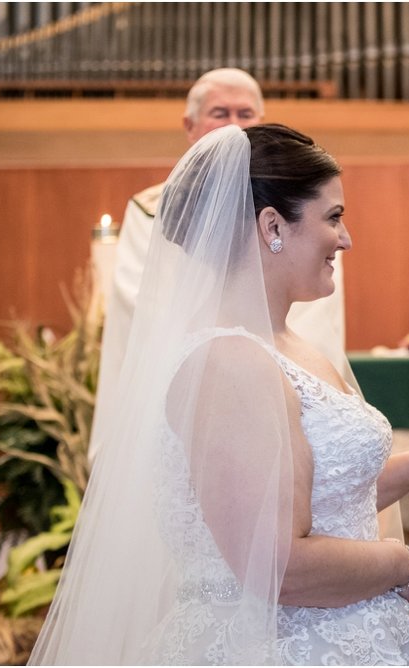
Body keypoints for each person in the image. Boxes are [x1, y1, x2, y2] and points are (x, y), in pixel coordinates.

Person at [30, 124, 409, 664]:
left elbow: (315, 499)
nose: (346, 239)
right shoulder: (227, 364)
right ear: (273, 225)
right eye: (333, 217)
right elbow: (277, 566)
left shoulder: (289, 345)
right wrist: (398, 562)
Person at [92, 67, 355, 460]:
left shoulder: (301, 213)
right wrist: (237, 364)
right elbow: (144, 307)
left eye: (245, 115)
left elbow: (314, 311)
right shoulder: (155, 211)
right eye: (220, 113)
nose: (233, 126)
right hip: (201, 390)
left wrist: (295, 382)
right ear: (190, 125)